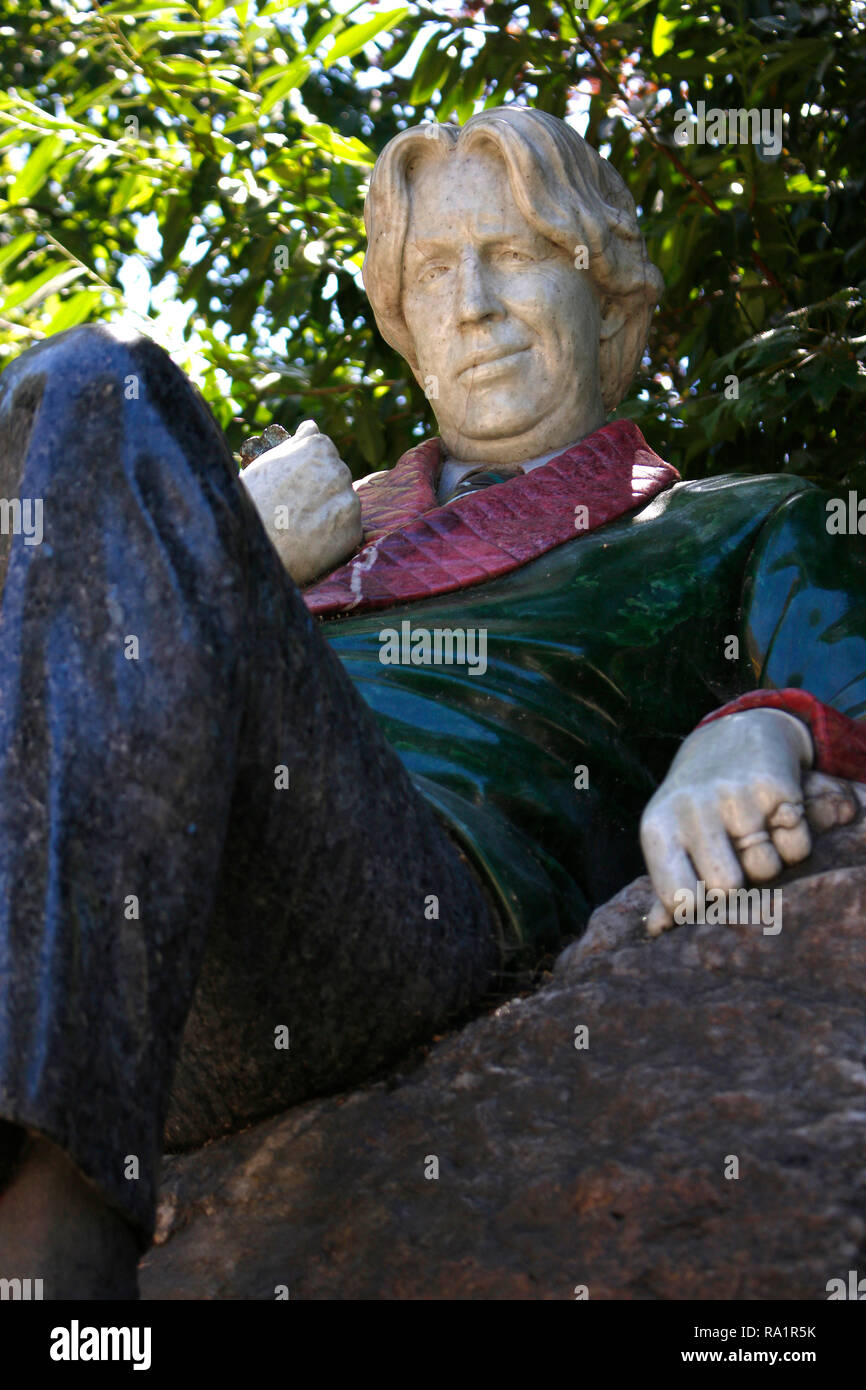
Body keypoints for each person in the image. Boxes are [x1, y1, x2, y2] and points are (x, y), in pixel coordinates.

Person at [0, 106, 863, 1300]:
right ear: (402, 329)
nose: (472, 304)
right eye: (432, 272)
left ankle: (60, 1215)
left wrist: (757, 723)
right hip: (145, 927)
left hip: (409, 912)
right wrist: (238, 542)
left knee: (109, 387)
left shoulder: (735, 519)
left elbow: (851, 681)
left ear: (607, 293)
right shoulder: (298, 531)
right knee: (54, 397)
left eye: (512, 256)